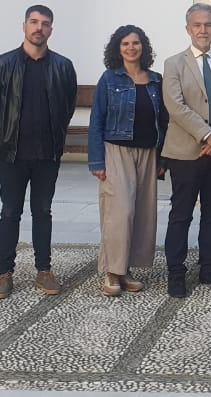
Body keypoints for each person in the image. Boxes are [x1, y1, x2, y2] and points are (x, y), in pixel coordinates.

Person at [0, 4, 78, 300]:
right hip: (13, 154)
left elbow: (67, 106)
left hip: (47, 154)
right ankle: (4, 272)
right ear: (23, 26)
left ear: (51, 29)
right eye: (34, 22)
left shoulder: (62, 66)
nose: (39, 28)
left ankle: (44, 270)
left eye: (45, 23)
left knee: (43, 212)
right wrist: (2, 136)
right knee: (10, 212)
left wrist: (56, 136)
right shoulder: (0, 65)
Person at [160, 3, 211, 298]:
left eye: (208, 25)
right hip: (186, 152)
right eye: (197, 25)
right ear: (188, 29)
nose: (203, 30)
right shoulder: (174, 64)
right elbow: (175, 106)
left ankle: (209, 267)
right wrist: (208, 135)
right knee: (181, 213)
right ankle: (176, 272)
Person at [88, 25, 169, 297]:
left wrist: (162, 159)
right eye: (125, 43)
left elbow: (165, 123)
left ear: (143, 47)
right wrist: (97, 161)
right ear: (117, 48)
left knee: (142, 214)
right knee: (119, 212)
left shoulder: (156, 80)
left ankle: (127, 269)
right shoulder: (109, 79)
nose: (131, 48)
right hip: (116, 151)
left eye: (136, 43)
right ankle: (112, 271)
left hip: (148, 153)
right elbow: (96, 120)